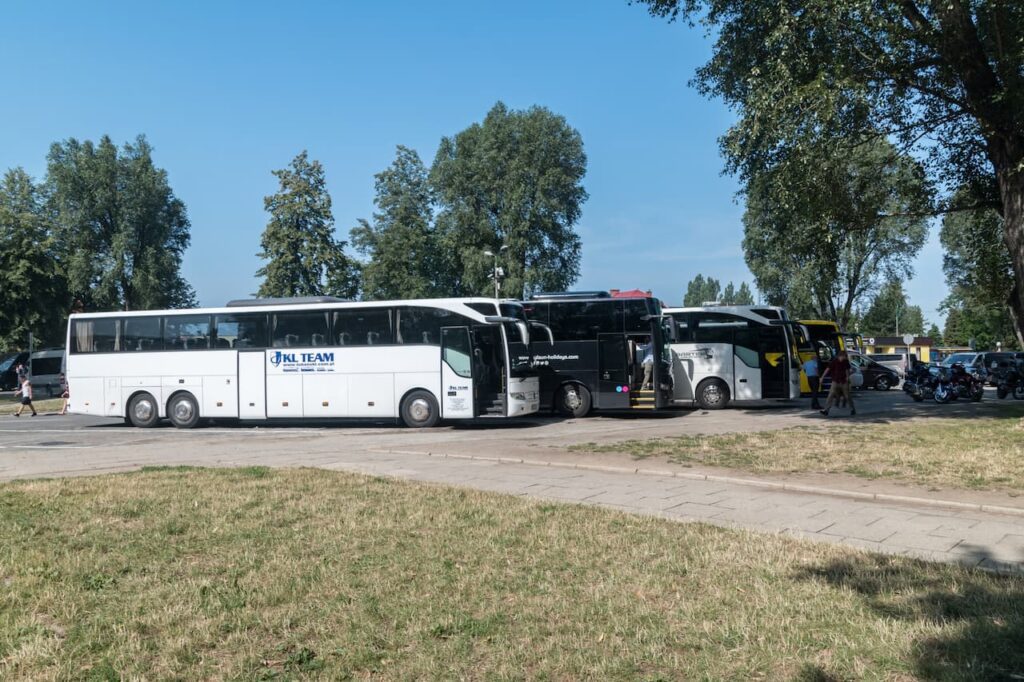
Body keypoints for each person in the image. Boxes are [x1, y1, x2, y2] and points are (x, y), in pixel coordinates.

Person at [819, 349, 855, 416]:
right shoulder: (834, 361)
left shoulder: (846, 362)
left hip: (844, 381)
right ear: (842, 356)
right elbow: (827, 369)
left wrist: (847, 377)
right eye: (845, 356)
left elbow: (847, 370)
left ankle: (852, 409)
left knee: (847, 396)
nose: (846, 357)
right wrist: (822, 377)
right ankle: (826, 410)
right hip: (835, 381)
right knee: (830, 395)